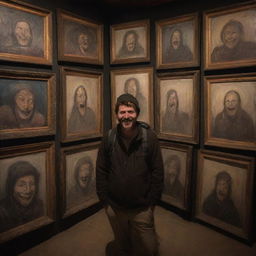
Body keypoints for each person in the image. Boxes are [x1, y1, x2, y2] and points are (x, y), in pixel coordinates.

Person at [96, 93, 164, 256]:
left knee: (150, 249)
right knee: (122, 244)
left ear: (137, 113)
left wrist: (152, 202)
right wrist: (105, 201)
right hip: (115, 206)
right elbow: (101, 170)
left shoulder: (149, 137)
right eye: (122, 112)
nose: (126, 116)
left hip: (142, 208)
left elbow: (157, 171)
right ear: (117, 114)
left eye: (130, 112)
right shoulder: (109, 138)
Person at [0, 161, 44, 233]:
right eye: (21, 185)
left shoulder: (39, 204)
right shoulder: (2, 211)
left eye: (32, 184)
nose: (28, 190)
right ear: (11, 187)